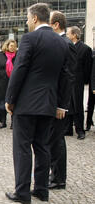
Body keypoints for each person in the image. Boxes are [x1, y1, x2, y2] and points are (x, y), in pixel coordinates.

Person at [4, 3, 68, 204]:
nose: (26, 21)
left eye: (27, 18)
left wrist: (10, 98)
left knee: (22, 148)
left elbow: (19, 70)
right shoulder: (62, 42)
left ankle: (22, 193)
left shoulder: (30, 38)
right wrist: (61, 105)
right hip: (48, 104)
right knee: (42, 147)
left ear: (34, 18)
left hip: (27, 103)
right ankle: (41, 190)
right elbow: (66, 76)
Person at [48, 11, 77, 191]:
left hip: (60, 103)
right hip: (54, 100)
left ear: (56, 24)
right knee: (53, 139)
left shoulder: (66, 44)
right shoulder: (60, 42)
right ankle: (55, 175)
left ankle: (59, 179)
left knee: (57, 139)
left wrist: (62, 105)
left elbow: (68, 77)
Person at [66, 26, 93, 140]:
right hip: (67, 81)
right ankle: (67, 129)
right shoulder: (66, 46)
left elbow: (88, 68)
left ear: (74, 35)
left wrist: (84, 80)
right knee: (67, 105)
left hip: (78, 81)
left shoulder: (85, 49)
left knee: (77, 105)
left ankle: (80, 130)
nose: (67, 35)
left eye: (68, 33)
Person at [0, 39, 18, 129]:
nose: (13, 48)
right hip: (2, 83)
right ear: (7, 46)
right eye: (11, 46)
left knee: (14, 103)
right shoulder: (0, 55)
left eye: (14, 46)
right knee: (2, 104)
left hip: (14, 83)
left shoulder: (17, 56)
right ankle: (3, 121)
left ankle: (13, 122)